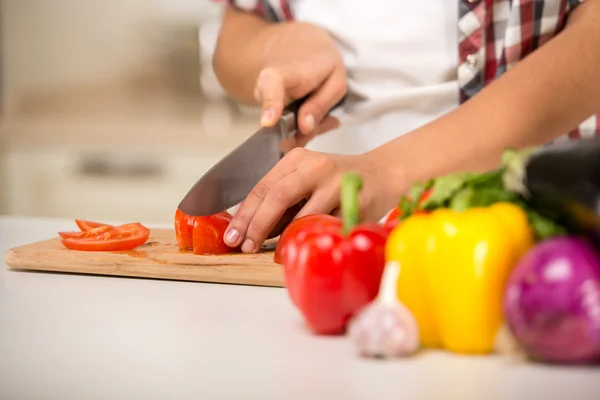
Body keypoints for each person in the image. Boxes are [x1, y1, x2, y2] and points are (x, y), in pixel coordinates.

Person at [211, 0, 600, 253]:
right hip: (325, 250)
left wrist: (385, 171)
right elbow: (239, 22)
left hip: (535, 237)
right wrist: (278, 45)